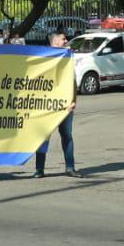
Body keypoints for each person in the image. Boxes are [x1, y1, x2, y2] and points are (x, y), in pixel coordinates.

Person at [34, 31, 80, 177]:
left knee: (66, 135)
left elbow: (73, 81)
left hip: (65, 105)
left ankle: (70, 167)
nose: (66, 40)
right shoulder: (43, 58)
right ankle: (39, 169)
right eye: (63, 39)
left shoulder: (67, 58)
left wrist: (73, 101)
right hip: (47, 105)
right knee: (43, 137)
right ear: (54, 41)